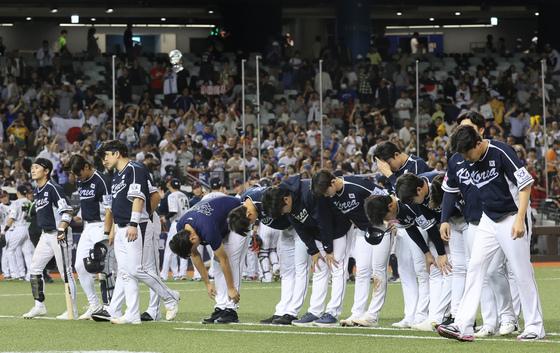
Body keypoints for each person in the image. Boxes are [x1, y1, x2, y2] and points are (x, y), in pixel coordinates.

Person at [437, 125, 545, 341]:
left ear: (478, 143)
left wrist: (520, 220)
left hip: (512, 215)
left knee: (521, 271)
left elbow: (525, 185)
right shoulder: (469, 159)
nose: (466, 159)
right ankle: (462, 324)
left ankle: (535, 326)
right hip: (489, 218)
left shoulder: (500, 151)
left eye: (468, 153)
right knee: (475, 267)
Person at [439, 112, 517, 337]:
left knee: (496, 271)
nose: (462, 132)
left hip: (501, 217)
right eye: (459, 128)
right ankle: (489, 323)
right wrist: (444, 218)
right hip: (474, 220)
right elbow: (449, 190)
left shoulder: (495, 152)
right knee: (479, 272)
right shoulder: (456, 157)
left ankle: (508, 317)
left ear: (480, 131)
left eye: (468, 127)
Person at [98, 140, 179, 324]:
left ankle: (170, 296)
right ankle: (132, 313)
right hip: (120, 227)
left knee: (136, 269)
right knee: (125, 272)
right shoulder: (116, 175)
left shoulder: (134, 168)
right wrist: (112, 230)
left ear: (117, 153)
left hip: (133, 225)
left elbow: (138, 198)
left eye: (106, 156)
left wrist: (136, 222)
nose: (104, 161)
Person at [262, 175, 352, 327]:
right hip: (318, 232)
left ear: (286, 199)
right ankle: (315, 311)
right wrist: (314, 250)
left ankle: (332, 312)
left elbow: (325, 221)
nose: (283, 213)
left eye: (282, 210)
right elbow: (299, 227)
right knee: (319, 269)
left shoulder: (309, 193)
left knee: (337, 268)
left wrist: (328, 249)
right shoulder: (287, 202)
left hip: (337, 227)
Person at [311, 170, 390, 327]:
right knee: (361, 272)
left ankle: (372, 316)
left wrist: (391, 220)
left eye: (327, 191)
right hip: (362, 231)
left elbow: (385, 197)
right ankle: (357, 313)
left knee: (378, 272)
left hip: (382, 227)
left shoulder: (356, 185)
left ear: (333, 183)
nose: (327, 196)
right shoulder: (332, 197)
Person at [170, 195, 250, 324]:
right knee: (216, 263)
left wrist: (231, 288)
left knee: (232, 259)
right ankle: (221, 307)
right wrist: (207, 283)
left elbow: (224, 259)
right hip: (221, 221)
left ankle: (231, 310)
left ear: (193, 239)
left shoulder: (206, 228)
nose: (193, 252)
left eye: (191, 249)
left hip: (240, 213)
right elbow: (195, 255)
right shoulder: (181, 228)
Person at [22, 158, 77, 319]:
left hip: (58, 233)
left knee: (65, 272)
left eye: (37, 167)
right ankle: (39, 305)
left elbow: (67, 211)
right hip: (45, 235)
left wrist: (62, 229)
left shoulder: (53, 188)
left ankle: (72, 309)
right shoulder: (38, 190)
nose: (33, 170)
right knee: (35, 269)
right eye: (32, 167)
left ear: (46, 171)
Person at [66, 155, 112, 320]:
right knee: (79, 265)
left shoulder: (102, 180)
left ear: (87, 166)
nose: (78, 178)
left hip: (101, 225)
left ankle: (110, 306)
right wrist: (77, 216)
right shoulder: (80, 181)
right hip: (88, 226)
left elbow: (109, 209)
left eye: (79, 173)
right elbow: (86, 203)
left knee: (103, 267)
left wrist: (107, 233)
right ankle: (94, 305)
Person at [1, 185, 35, 281]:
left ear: (18, 193)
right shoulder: (29, 202)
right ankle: (30, 275)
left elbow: (12, 218)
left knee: (9, 250)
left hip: (19, 228)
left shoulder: (15, 203)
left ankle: (15, 274)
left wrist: (4, 230)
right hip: (27, 228)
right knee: (28, 253)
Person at [160, 178, 190, 281]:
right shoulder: (184, 195)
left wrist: (165, 218)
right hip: (185, 224)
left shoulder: (172, 195)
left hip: (176, 223)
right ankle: (182, 273)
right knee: (184, 247)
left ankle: (164, 274)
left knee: (169, 249)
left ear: (171, 186)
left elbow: (173, 211)